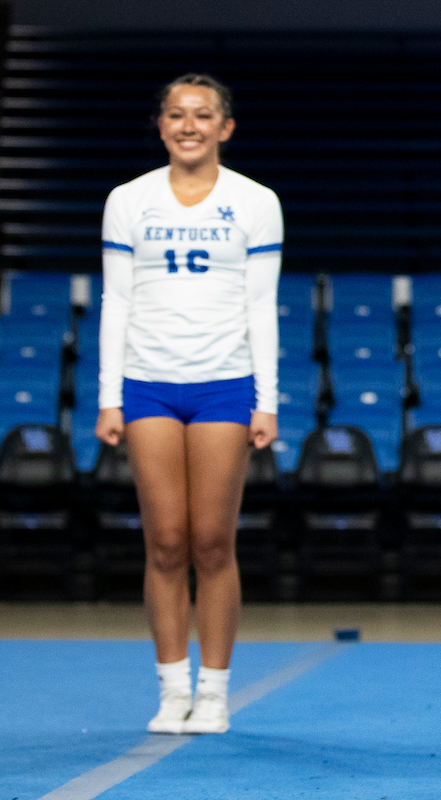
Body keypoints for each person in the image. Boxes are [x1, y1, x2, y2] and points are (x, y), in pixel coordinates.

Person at [95, 73, 282, 734]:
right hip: (146, 384)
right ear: (161, 125)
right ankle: (172, 687)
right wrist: (108, 395)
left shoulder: (256, 203)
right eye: (177, 114)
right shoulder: (128, 201)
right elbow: (116, 300)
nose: (189, 125)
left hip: (225, 385)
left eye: (203, 115)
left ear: (225, 128)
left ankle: (215, 692)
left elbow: (261, 304)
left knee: (212, 540)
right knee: (166, 541)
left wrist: (267, 401)